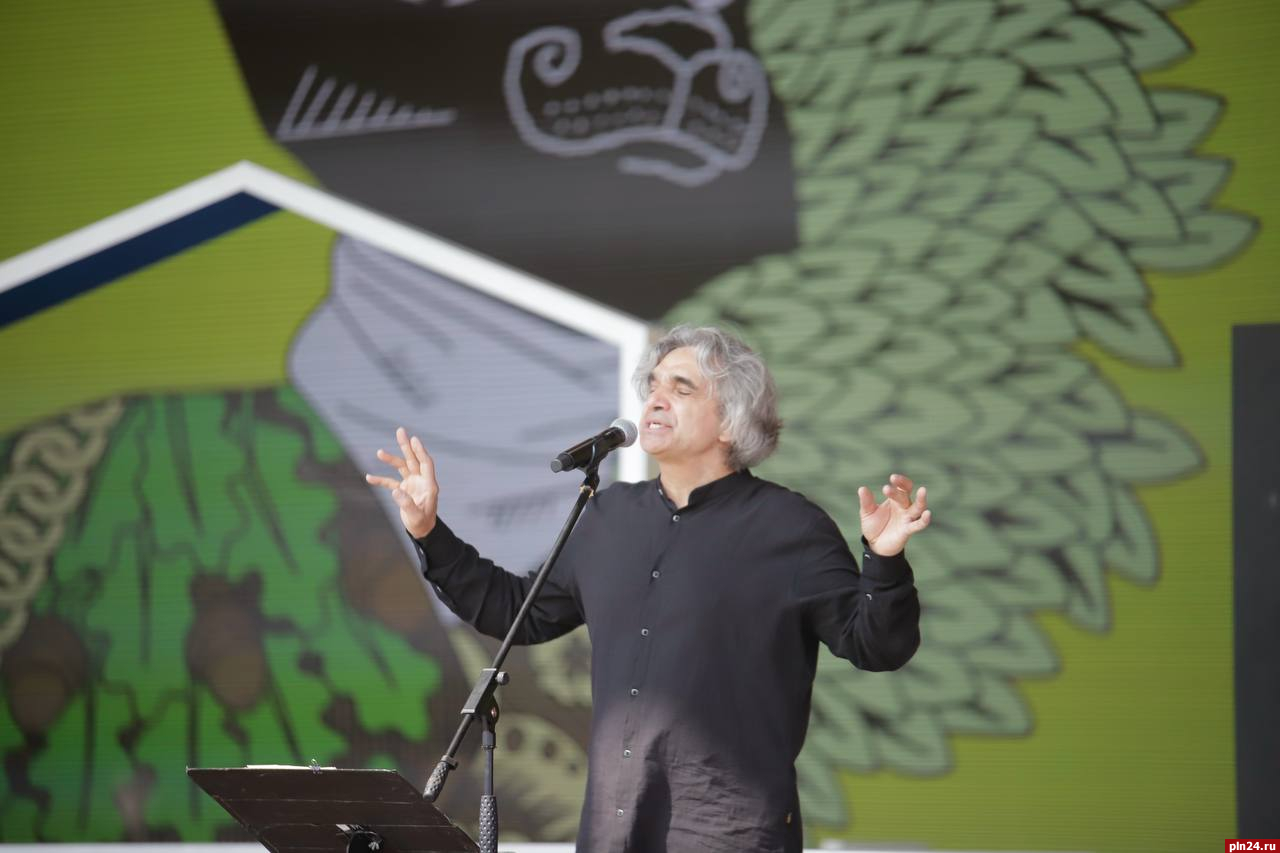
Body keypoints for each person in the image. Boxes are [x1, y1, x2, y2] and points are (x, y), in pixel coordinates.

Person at [365, 325, 930, 853]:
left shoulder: (791, 528)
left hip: (729, 831)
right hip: (614, 827)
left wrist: (884, 560)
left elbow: (875, 646)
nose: (655, 400)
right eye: (653, 386)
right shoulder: (609, 515)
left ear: (731, 422)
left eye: (681, 389)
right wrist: (428, 531)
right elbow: (517, 611)